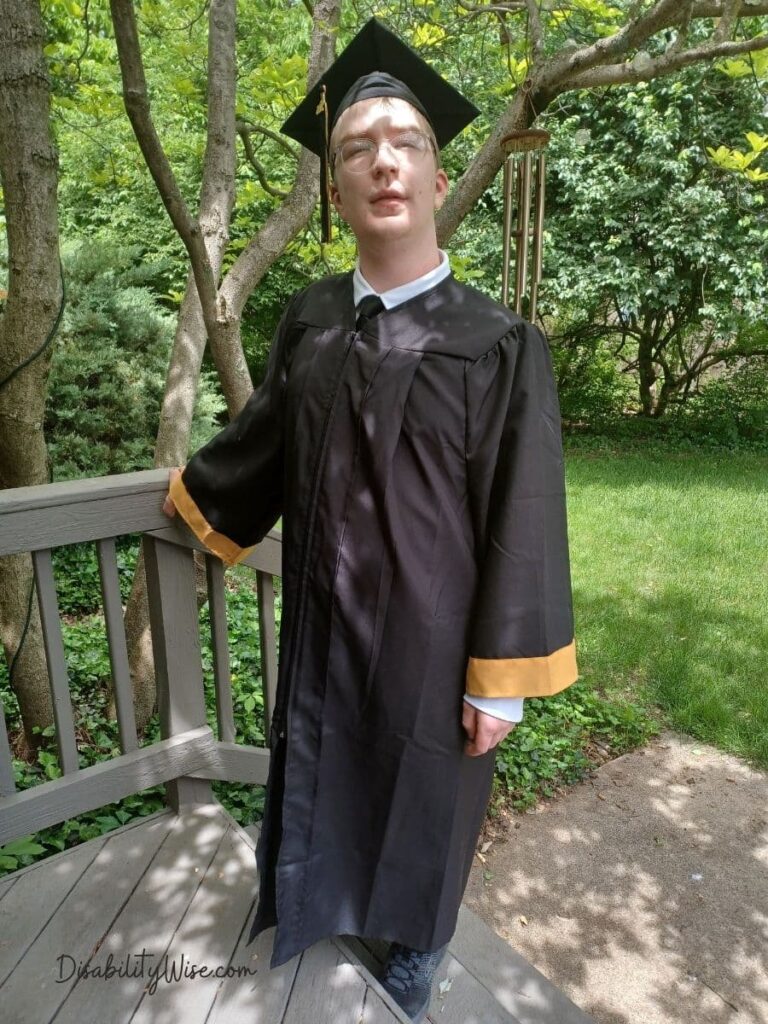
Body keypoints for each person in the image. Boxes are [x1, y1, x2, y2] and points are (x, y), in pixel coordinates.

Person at [163, 19, 578, 1023]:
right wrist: (193, 495)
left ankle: (413, 958)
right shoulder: (310, 318)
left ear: (437, 180)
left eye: (406, 143)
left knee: (424, 801)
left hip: (436, 641)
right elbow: (264, 437)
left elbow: (527, 512)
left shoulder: (499, 344)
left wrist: (505, 680)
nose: (382, 161)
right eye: (357, 148)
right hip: (322, 619)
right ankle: (314, 905)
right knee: (321, 760)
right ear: (337, 187)